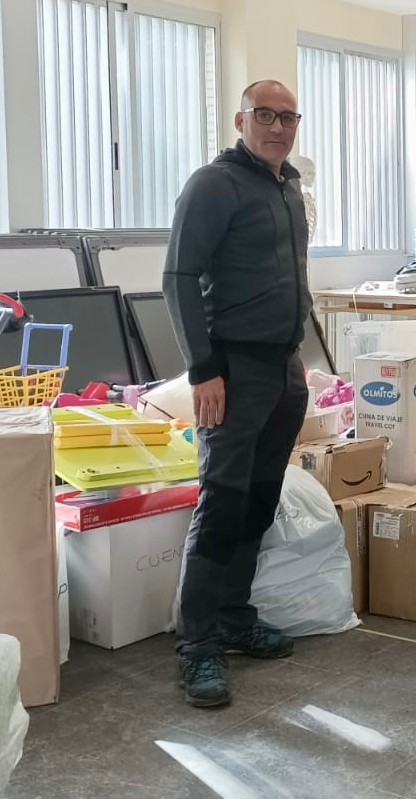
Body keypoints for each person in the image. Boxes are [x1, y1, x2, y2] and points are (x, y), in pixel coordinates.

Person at [164, 80, 312, 708]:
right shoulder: (214, 184)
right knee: (222, 503)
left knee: (259, 500)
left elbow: (290, 277)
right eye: (264, 115)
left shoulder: (288, 187)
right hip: (233, 369)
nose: (276, 126)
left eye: (287, 117)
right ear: (240, 119)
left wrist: (299, 358)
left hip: (283, 369)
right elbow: (177, 276)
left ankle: (233, 615)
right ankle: (197, 646)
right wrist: (202, 370)